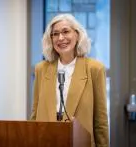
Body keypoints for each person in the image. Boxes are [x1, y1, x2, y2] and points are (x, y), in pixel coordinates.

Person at [30, 14, 109, 147]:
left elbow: (100, 121)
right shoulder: (41, 69)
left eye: (66, 31)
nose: (61, 38)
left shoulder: (95, 69)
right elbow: (35, 114)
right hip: (46, 141)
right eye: (55, 34)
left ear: (77, 35)